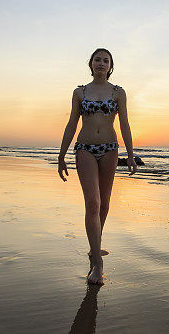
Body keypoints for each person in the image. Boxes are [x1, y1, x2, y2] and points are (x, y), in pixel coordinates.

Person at [57, 47, 138, 285]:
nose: (101, 63)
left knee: (104, 205)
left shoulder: (118, 93)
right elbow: (72, 123)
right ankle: (97, 264)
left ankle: (95, 247)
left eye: (105, 60)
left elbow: (125, 125)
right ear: (90, 64)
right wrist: (61, 155)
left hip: (110, 150)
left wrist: (131, 155)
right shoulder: (80, 92)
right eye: (97, 60)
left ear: (111, 66)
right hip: (85, 149)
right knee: (92, 203)